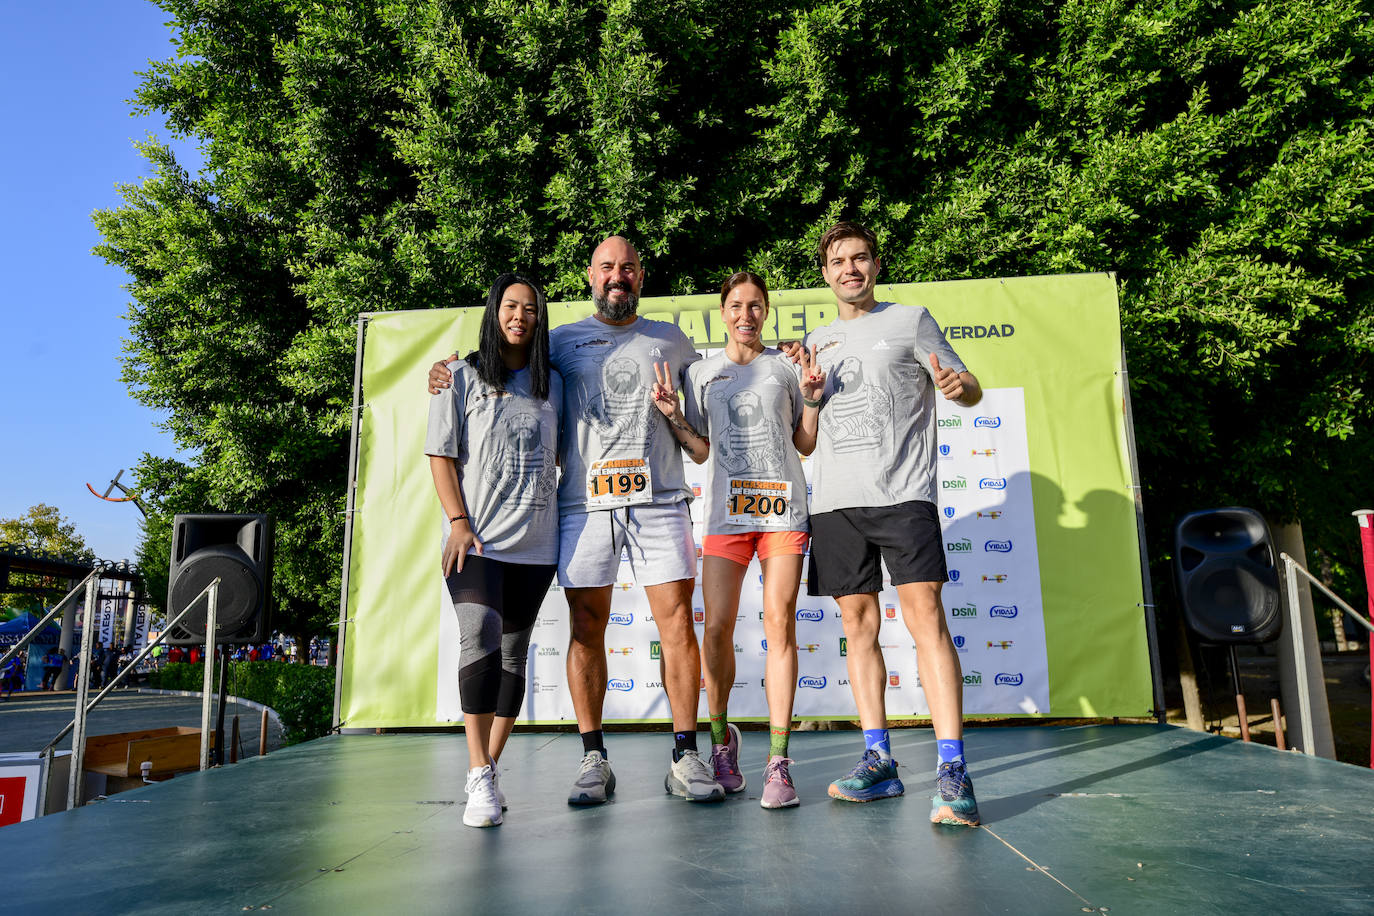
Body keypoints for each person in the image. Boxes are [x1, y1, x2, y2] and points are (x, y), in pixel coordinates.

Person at [430, 236, 723, 805]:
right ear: (590, 276)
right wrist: (443, 372)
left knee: (677, 623)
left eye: (628, 268)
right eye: (607, 267)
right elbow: (504, 364)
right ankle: (594, 757)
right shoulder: (558, 345)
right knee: (586, 626)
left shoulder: (673, 340)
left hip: (660, 502)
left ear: (642, 275)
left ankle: (687, 754)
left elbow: (718, 388)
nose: (618, 276)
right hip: (582, 506)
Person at [797, 220, 984, 826]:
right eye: (839, 261)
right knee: (859, 623)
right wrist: (806, 395)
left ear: (875, 265)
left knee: (926, 619)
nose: (850, 269)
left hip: (904, 496)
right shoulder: (816, 342)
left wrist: (962, 387)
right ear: (825, 274)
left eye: (860, 258)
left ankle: (952, 769)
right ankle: (878, 759)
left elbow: (968, 386)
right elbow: (806, 434)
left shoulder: (912, 320)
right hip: (834, 504)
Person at [650, 271, 822, 808]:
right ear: (722, 312)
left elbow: (805, 443)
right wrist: (676, 419)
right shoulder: (702, 372)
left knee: (779, 622)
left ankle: (779, 763)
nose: (745, 315)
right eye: (736, 306)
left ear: (766, 311)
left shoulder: (786, 367)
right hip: (726, 516)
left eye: (755, 306)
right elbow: (701, 452)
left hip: (782, 514)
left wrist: (813, 400)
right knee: (717, 628)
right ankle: (722, 742)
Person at [425, 271, 561, 828]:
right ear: (494, 311)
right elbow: (440, 454)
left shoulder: (553, 381)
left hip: (537, 544)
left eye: (530, 309)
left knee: (512, 653)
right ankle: (477, 769)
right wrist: (457, 520)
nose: (519, 317)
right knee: (477, 634)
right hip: (476, 539)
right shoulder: (458, 376)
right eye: (510, 306)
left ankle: (489, 768)